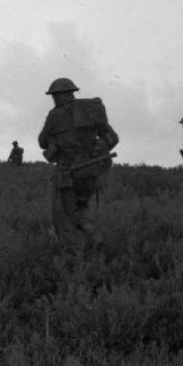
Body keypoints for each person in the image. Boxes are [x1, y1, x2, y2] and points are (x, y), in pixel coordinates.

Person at [38, 77, 118, 253]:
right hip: (90, 172)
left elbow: (42, 141)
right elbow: (113, 140)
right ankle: (96, 237)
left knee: (63, 217)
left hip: (68, 173)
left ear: (61, 95)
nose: (54, 99)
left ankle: (73, 258)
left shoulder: (55, 114)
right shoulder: (91, 112)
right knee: (81, 209)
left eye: (55, 95)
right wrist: (93, 152)